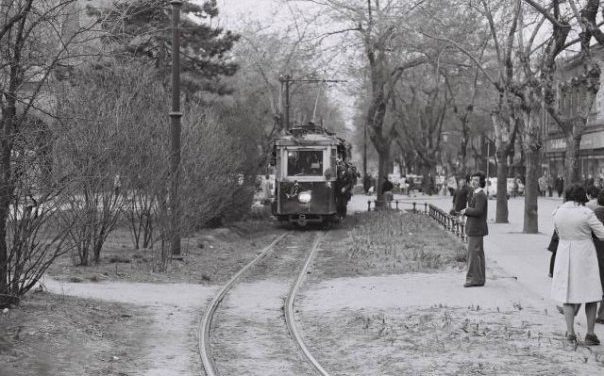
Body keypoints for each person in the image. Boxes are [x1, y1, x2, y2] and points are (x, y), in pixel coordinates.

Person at [552, 184, 604, 345]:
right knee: (591, 294)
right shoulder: (586, 213)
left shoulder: (558, 212)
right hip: (584, 254)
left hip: (565, 253)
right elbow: (602, 234)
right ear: (582, 197)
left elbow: (558, 233)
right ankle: (589, 333)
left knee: (567, 293)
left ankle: (570, 332)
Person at [460, 171, 488, 288]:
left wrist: (466, 210)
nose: (473, 182)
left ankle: (473, 279)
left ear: (481, 182)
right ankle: (479, 278)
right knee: (477, 254)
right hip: (475, 228)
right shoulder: (476, 193)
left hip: (476, 229)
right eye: (472, 179)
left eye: (476, 180)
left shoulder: (480, 195)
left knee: (473, 255)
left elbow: (478, 211)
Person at [591, 190, 604, 324]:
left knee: (593, 283)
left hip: (596, 251)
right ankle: (602, 314)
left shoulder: (594, 213)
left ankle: (573, 308)